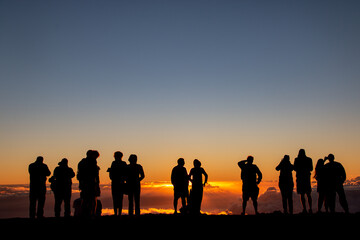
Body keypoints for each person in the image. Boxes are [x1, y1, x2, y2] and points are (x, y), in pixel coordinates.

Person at [77, 150, 101, 217]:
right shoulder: (92, 162)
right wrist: (97, 183)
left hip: (85, 183)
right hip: (90, 183)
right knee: (92, 199)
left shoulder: (82, 162)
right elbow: (95, 174)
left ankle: (85, 214)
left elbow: (79, 175)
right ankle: (91, 213)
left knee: (86, 199)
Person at [107, 151, 128, 216]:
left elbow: (111, 174)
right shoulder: (123, 163)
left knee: (115, 198)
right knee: (119, 198)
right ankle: (118, 213)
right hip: (120, 183)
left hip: (116, 183)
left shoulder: (114, 163)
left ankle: (116, 213)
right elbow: (126, 173)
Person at [294, 149, 313, 214]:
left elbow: (295, 168)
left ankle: (304, 209)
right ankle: (310, 208)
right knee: (308, 194)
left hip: (300, 179)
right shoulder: (309, 159)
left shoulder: (297, 160)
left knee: (302, 194)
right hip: (306, 178)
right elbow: (311, 168)